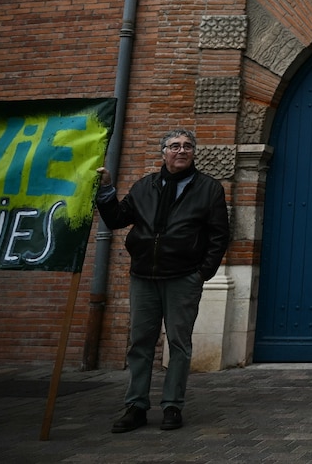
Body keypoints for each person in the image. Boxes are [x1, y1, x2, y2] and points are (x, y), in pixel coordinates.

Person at [96, 129, 230, 432]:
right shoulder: (145, 186)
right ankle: (136, 406)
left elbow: (219, 235)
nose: (181, 151)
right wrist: (106, 190)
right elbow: (117, 218)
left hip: (183, 277)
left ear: (194, 152)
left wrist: (202, 274)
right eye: (174, 146)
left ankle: (172, 406)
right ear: (164, 153)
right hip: (143, 276)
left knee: (178, 344)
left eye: (187, 146)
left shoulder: (209, 189)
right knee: (140, 343)